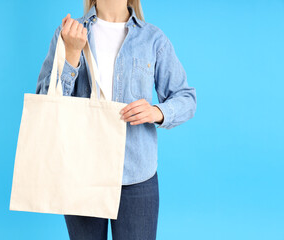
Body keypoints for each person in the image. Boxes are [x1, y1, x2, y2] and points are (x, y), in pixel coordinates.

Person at [36, 0, 197, 239]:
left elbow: (186, 98)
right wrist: (71, 54)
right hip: (82, 174)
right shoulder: (69, 32)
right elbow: (45, 100)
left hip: (137, 176)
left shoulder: (153, 38)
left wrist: (157, 112)